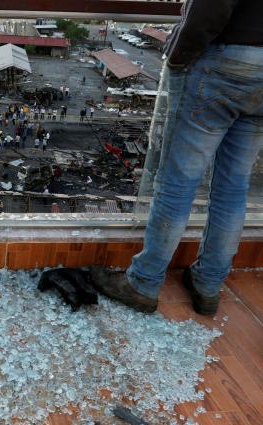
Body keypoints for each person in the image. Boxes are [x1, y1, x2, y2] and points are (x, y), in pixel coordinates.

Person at [90, 0, 263, 316]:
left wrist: (178, 56)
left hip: (226, 61)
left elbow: (212, 8)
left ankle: (144, 282)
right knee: (233, 187)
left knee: (177, 182)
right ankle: (208, 285)